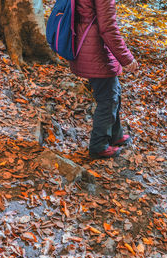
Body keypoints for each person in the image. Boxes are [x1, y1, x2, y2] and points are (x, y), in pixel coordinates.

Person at [70, 0, 138, 158]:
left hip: (84, 43)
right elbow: (108, 28)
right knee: (108, 99)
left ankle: (115, 134)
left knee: (114, 92)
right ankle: (98, 145)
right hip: (95, 50)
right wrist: (126, 58)